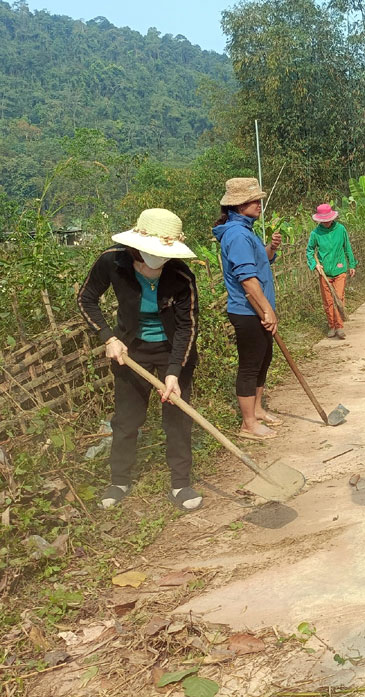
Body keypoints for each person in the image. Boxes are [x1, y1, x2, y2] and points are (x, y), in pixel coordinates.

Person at [78, 208, 202, 512]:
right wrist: (109, 337)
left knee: (177, 417)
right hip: (130, 350)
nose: (157, 264)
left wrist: (174, 372)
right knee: (127, 419)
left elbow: (188, 326)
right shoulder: (112, 261)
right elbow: (86, 299)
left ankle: (180, 484)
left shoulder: (181, 275)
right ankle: (119, 480)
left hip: (172, 350)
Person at [213, 177, 283, 441]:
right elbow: (247, 279)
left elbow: (257, 260)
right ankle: (248, 424)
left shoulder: (246, 231)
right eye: (254, 201)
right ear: (239, 204)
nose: (259, 205)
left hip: (259, 308)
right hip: (247, 309)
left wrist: (271, 249)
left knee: (264, 359)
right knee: (250, 365)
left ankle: (257, 410)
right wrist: (267, 310)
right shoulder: (237, 234)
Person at [306, 203, 357, 340]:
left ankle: (339, 326)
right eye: (323, 220)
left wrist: (352, 264)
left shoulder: (340, 229)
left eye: (328, 219)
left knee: (338, 298)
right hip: (324, 273)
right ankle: (332, 325)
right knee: (328, 301)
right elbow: (309, 251)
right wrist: (315, 265)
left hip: (340, 270)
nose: (326, 222)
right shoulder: (315, 233)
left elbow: (347, 247)